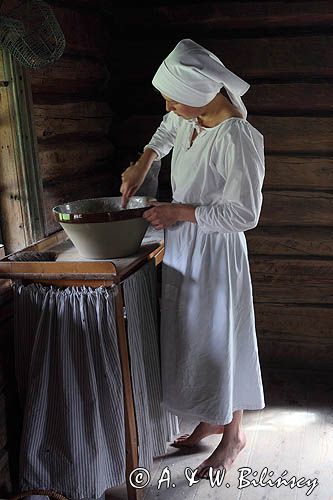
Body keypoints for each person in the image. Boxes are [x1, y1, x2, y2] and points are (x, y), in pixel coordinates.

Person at [120, 38, 265, 480]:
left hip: (217, 251)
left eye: (173, 98)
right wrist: (145, 161)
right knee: (194, 339)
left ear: (203, 95)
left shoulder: (236, 137)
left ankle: (233, 435)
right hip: (187, 243)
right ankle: (210, 416)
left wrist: (178, 211)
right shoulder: (190, 117)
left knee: (223, 338)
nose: (168, 106)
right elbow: (166, 129)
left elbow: (245, 213)